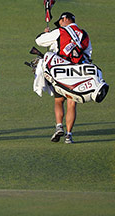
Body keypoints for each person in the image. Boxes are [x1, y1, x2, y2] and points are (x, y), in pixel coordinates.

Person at [34, 11, 92, 144]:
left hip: (61, 72)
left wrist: (46, 33)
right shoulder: (83, 34)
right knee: (72, 103)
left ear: (65, 19)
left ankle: (59, 126)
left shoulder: (60, 32)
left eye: (60, 22)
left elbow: (39, 41)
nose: (59, 24)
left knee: (59, 100)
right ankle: (69, 135)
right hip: (78, 72)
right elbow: (88, 54)